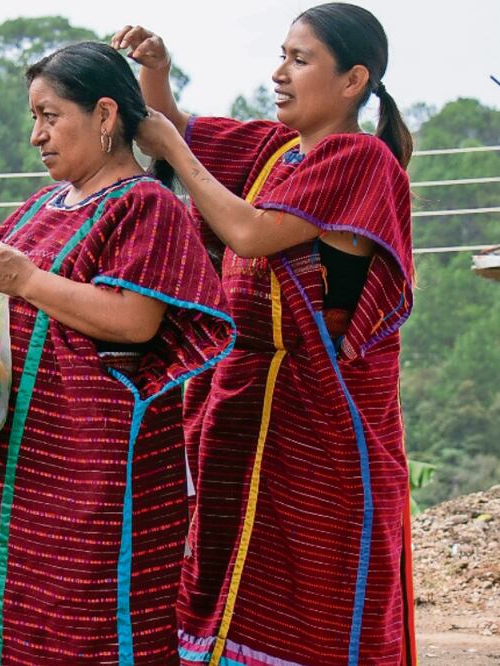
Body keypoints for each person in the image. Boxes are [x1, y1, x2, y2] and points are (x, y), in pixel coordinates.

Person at [0, 42, 235, 665]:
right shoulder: (38, 208)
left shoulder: (147, 206)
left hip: (85, 460)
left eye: (50, 116)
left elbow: (136, 320)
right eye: (34, 118)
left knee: (77, 612)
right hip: (2, 460)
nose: (37, 136)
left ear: (106, 116)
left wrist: (28, 280)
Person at [112, 3, 416, 664]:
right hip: (246, 409)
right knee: (223, 581)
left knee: (311, 600)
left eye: (299, 60)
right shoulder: (274, 149)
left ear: (351, 81)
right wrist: (156, 73)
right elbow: (184, 129)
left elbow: (247, 231)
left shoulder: (359, 162)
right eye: (280, 54)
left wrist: (173, 154)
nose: (278, 73)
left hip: (320, 427)